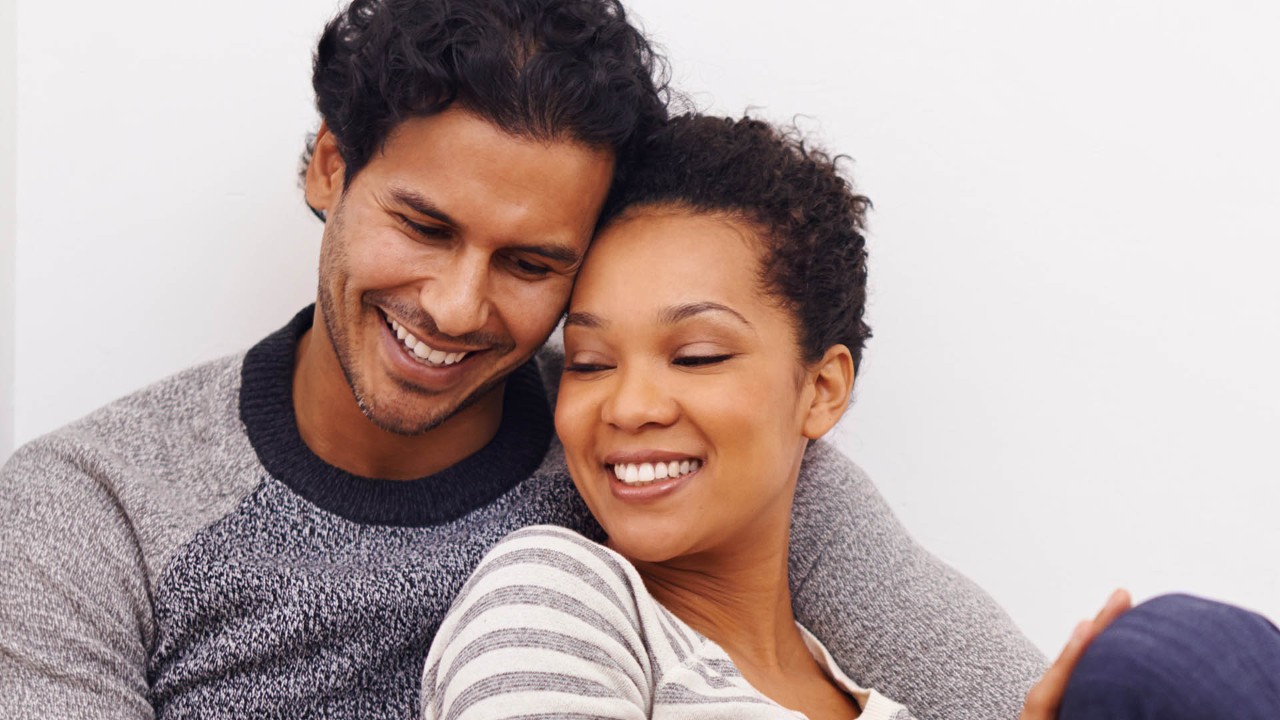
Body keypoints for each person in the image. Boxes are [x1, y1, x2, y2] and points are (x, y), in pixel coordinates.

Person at [0, 1, 1044, 718]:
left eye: (531, 261)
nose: (456, 308)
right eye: (423, 225)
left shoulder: (648, 460)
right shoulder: (87, 514)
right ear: (329, 166)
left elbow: (1005, 698)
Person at [422, 114, 1280, 720]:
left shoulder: (889, 708)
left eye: (698, 356)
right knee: (1168, 654)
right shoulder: (557, 595)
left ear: (822, 390)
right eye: (591, 362)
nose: (632, 405)